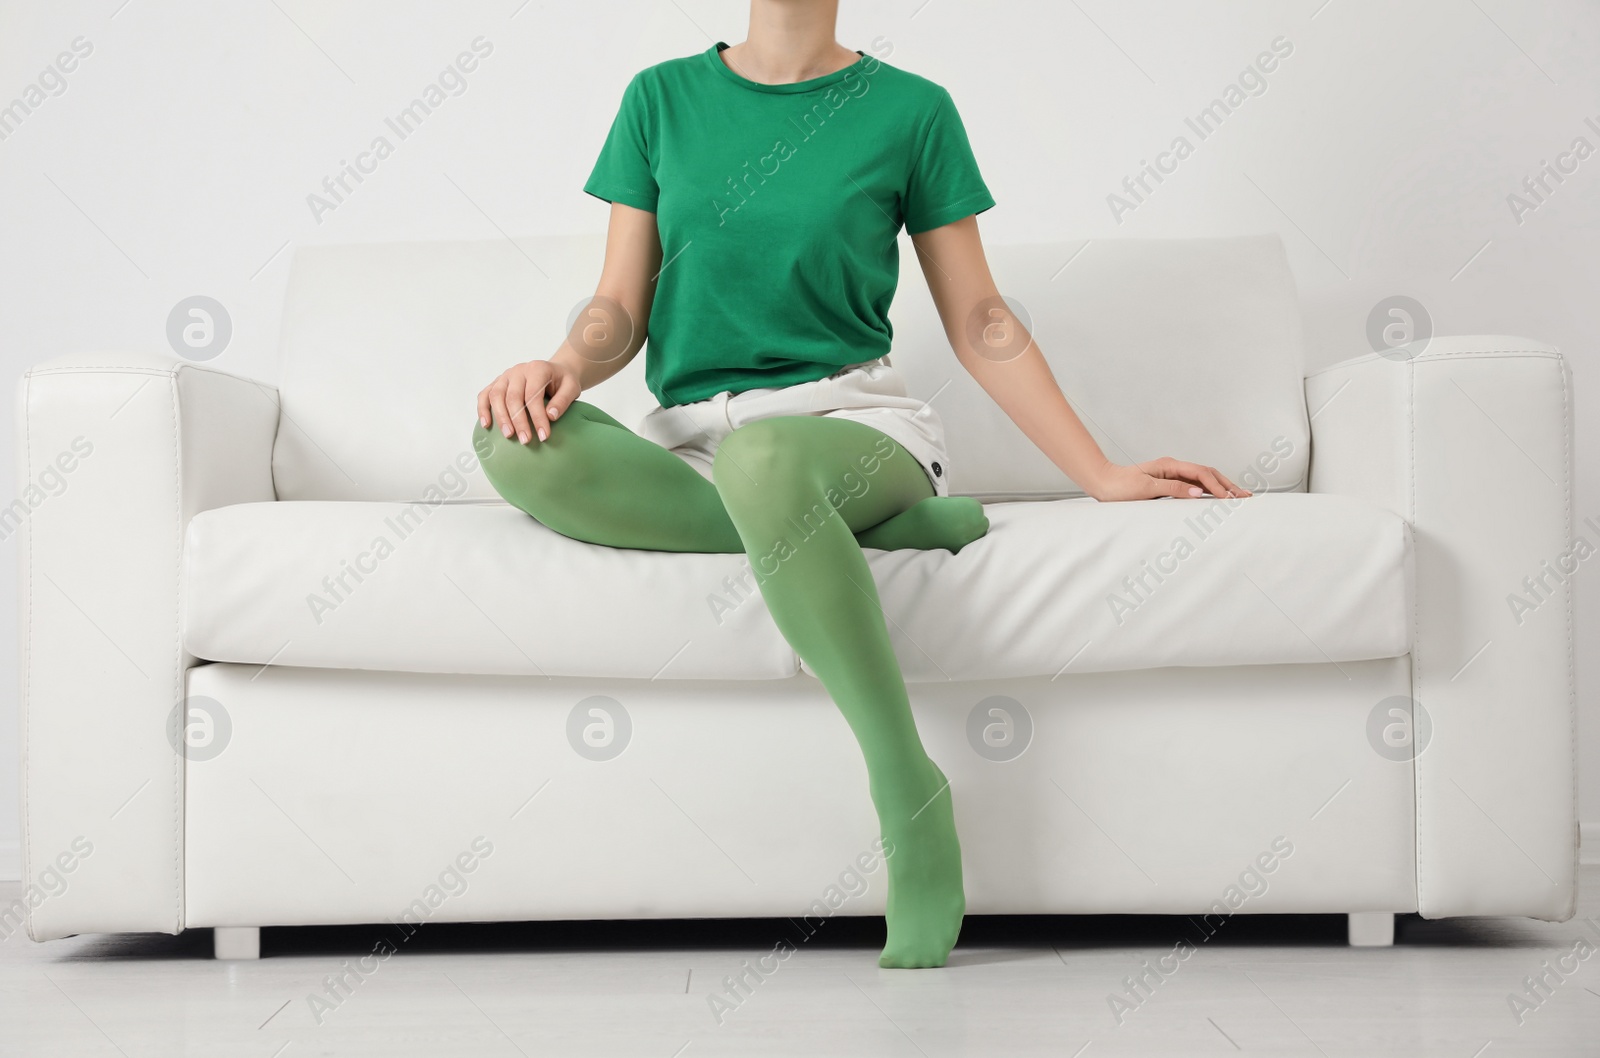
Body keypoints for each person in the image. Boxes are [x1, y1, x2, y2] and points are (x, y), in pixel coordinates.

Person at [473, 0, 1251, 969]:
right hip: (696, 440)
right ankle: (860, 534)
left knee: (767, 462)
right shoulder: (659, 99)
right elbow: (618, 306)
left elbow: (980, 321)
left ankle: (908, 789)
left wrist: (1097, 471)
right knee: (511, 443)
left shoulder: (910, 110)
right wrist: (557, 367)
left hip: (850, 428)